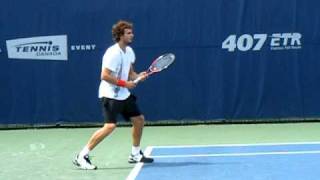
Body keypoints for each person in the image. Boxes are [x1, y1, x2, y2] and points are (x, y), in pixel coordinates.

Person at [73, 20, 154, 170]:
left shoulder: (129, 52)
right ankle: (82, 155)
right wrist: (125, 84)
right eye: (129, 33)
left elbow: (130, 74)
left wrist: (139, 76)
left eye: (131, 32)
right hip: (109, 94)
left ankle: (135, 154)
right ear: (120, 35)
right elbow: (104, 75)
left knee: (138, 119)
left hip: (123, 94)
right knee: (110, 126)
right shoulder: (112, 53)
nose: (132, 35)